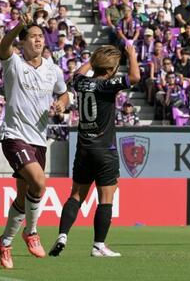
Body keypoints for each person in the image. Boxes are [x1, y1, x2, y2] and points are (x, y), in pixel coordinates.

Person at [0, 10, 69, 269]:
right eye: (32, 36)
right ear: (23, 42)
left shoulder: (53, 69)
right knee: (39, 182)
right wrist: (17, 27)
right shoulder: (13, 63)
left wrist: (60, 104)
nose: (38, 40)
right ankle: (32, 231)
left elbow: (64, 94)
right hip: (14, 136)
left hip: (39, 140)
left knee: (25, 196)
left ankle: (4, 242)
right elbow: (3, 47)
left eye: (40, 36)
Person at [49, 45, 140, 257]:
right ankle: (99, 245)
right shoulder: (107, 85)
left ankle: (63, 234)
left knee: (76, 195)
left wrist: (93, 59)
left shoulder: (81, 83)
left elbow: (77, 73)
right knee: (106, 198)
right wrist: (132, 55)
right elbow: (135, 77)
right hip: (104, 149)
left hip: (83, 148)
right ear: (111, 70)